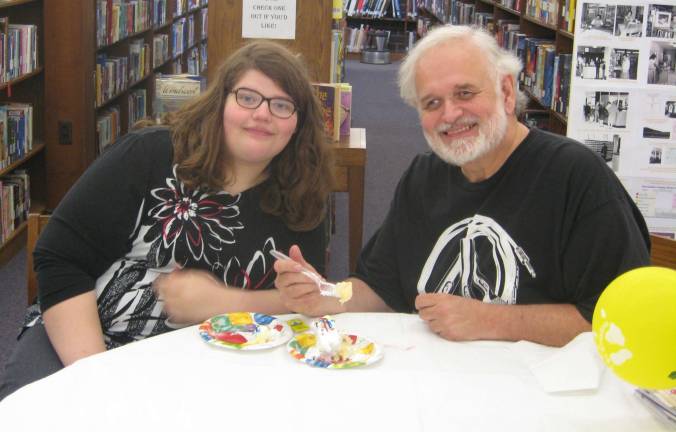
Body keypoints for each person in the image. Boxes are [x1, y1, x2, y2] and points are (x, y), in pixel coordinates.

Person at [274, 25, 650, 348]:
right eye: (432, 102)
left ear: (505, 91)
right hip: (437, 388)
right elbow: (379, 285)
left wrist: (491, 321)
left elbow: (620, 322)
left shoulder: (576, 178)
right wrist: (324, 295)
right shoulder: (424, 177)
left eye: (465, 93)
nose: (450, 115)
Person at [0, 40, 334, 400]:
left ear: (299, 123)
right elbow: (60, 258)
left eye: (282, 105)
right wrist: (95, 378)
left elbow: (298, 303)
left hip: (207, 365)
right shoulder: (150, 154)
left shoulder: (304, 195)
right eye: (248, 97)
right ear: (220, 101)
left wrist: (223, 301)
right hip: (83, 339)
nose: (263, 114)